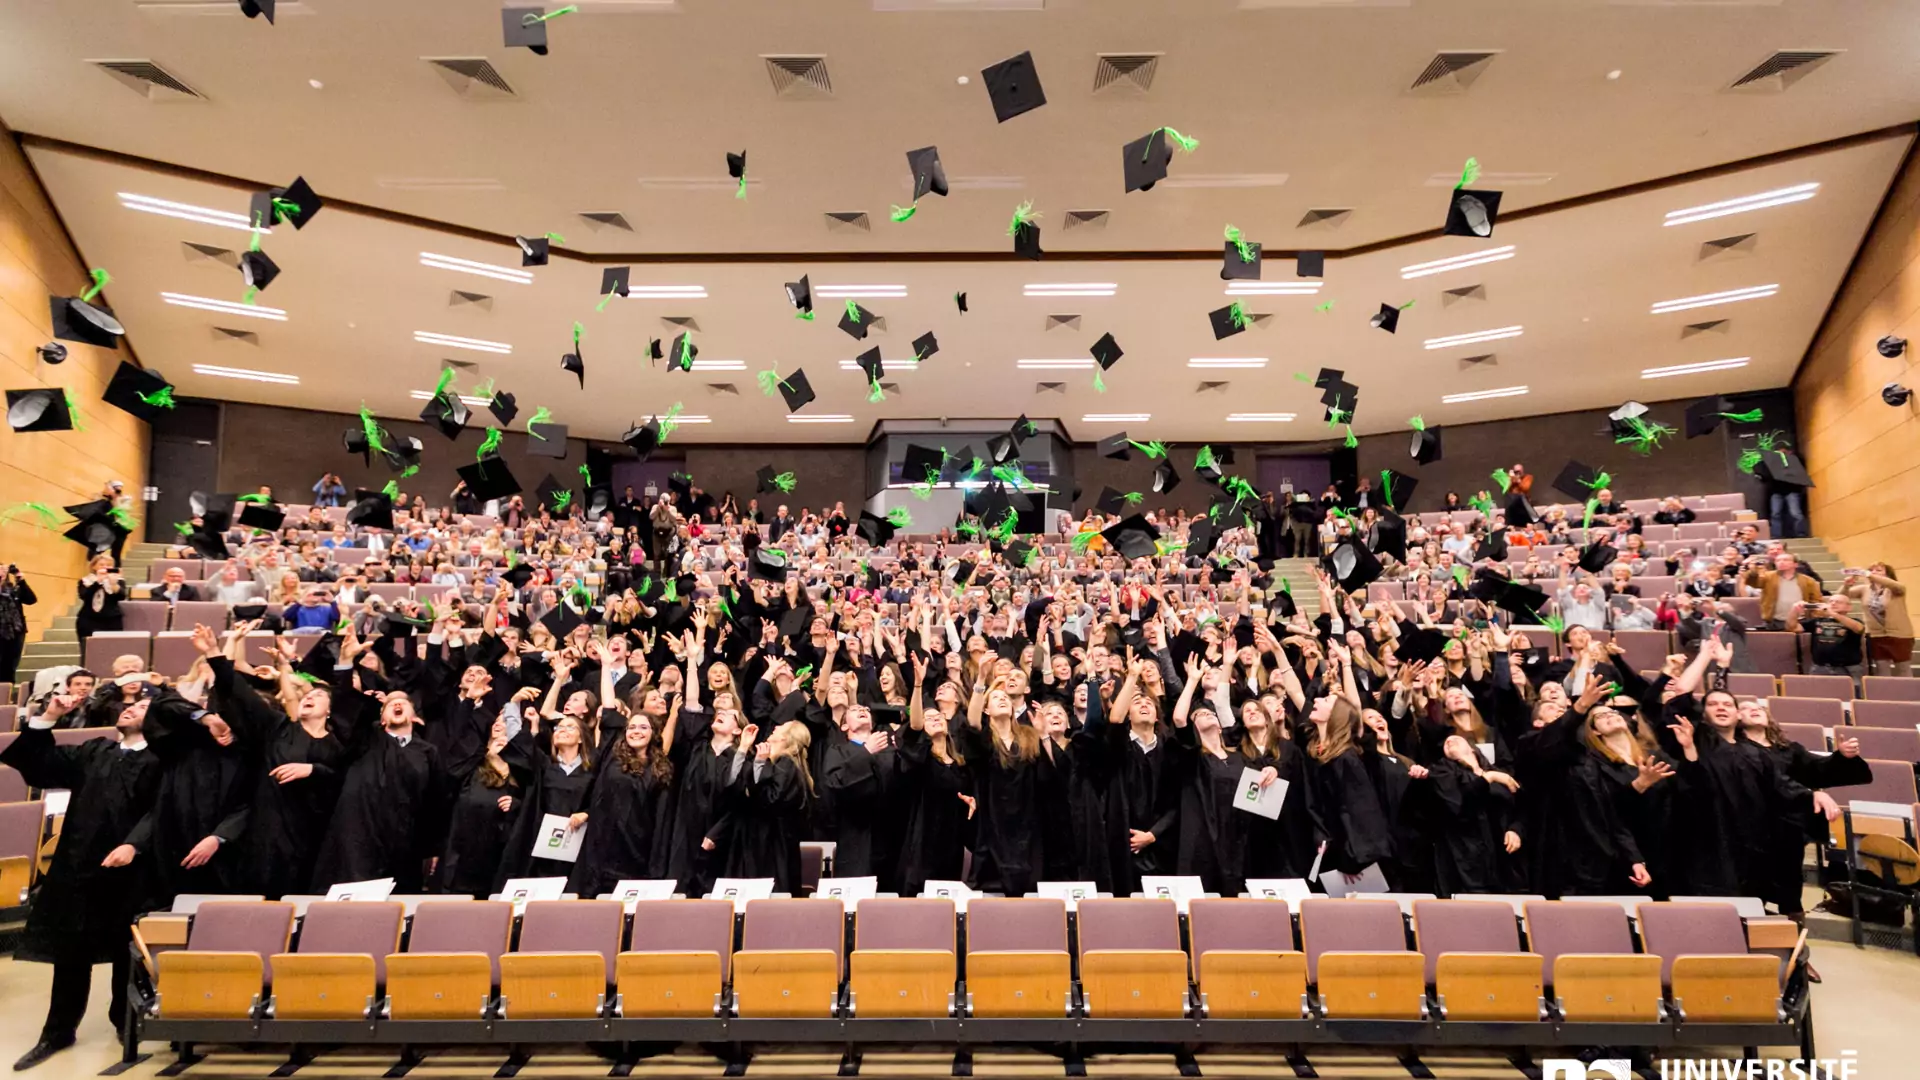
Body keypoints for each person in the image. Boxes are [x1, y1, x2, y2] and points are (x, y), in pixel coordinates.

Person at [0, 691, 158, 1072]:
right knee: (71, 951)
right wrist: (48, 717)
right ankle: (57, 1032)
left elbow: (164, 810)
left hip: (133, 869)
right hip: (79, 865)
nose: (130, 708)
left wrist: (134, 845)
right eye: (129, 705)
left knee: (127, 952)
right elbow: (38, 766)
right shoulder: (96, 750)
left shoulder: (163, 760)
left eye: (142, 708)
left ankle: (126, 1025)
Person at [1789, 592, 1867, 683]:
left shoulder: (1855, 621)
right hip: (1820, 667)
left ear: (1849, 607)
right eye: (1831, 601)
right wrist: (1794, 610)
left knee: (1852, 694)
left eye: (1838, 602)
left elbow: (1858, 628)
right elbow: (1792, 627)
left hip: (1847, 668)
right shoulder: (1817, 621)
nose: (1833, 603)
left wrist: (1833, 614)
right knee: (1817, 695)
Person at [1855, 564, 1912, 676]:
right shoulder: (1864, 589)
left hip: (1899, 634)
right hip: (1876, 635)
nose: (1873, 572)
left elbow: (1898, 587)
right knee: (1881, 669)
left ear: (1887, 574)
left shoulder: (1894, 587)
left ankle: (1908, 693)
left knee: (1903, 668)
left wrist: (1870, 575)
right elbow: (1842, 595)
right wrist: (1847, 585)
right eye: (1871, 570)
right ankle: (1885, 693)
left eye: (1878, 570)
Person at [1743, 551, 1822, 630]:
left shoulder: (1808, 581)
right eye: (1778, 560)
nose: (1781, 562)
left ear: (1795, 564)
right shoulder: (1767, 576)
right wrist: (1753, 570)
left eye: (1785, 560)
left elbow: (1816, 601)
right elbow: (1753, 582)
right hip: (1774, 621)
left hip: (1800, 621)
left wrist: (1814, 617)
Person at [74, 554, 127, 645]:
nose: (105, 567)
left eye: (109, 565)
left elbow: (121, 596)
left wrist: (113, 584)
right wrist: (97, 582)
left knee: (112, 649)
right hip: (88, 620)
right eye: (101, 565)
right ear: (94, 566)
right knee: (88, 649)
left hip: (112, 620)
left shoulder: (118, 581)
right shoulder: (85, 581)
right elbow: (84, 596)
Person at [0, 562, 36, 682]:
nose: (2, 573)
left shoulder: (13, 589)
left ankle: (6, 696)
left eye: (3, 570)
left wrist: (21, 581)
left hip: (15, 632)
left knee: (10, 667)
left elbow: (31, 600)